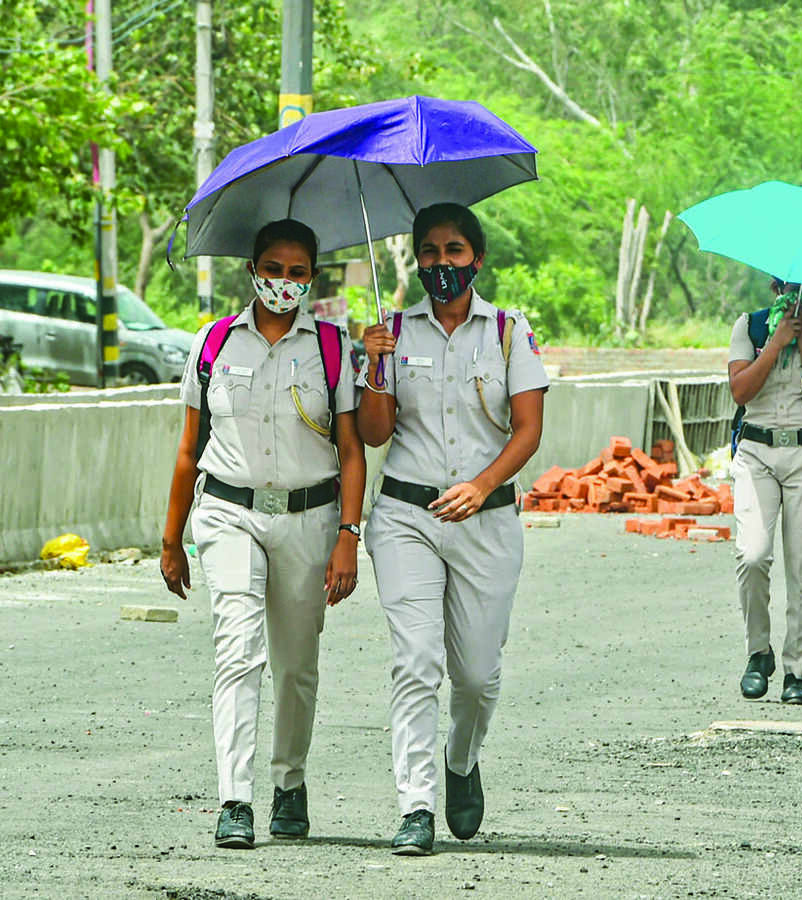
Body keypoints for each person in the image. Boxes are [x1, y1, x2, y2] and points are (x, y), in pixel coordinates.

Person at [159, 219, 365, 849]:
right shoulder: (214, 342)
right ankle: (235, 799)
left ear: (312, 279)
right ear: (252, 270)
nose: (284, 281)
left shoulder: (333, 348)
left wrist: (348, 536)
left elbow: (353, 451)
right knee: (238, 651)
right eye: (273, 268)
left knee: (296, 665)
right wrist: (171, 539)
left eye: (297, 271)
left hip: (310, 518)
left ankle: (290, 784)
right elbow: (190, 447)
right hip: (228, 515)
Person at [356, 202, 549, 854]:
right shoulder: (390, 332)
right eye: (430, 252)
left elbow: (528, 429)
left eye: (454, 251)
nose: (442, 263)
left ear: (477, 258)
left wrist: (483, 484)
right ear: (417, 259)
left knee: (475, 677)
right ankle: (416, 806)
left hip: (486, 522)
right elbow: (374, 433)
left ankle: (461, 759)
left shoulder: (507, 332)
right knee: (416, 662)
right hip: (406, 517)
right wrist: (374, 365)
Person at [728, 279, 802, 704]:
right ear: (775, 286)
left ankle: (797, 671)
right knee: (753, 554)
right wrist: (776, 343)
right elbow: (740, 390)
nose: (795, 296)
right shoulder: (750, 326)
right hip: (757, 451)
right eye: (788, 287)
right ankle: (759, 653)